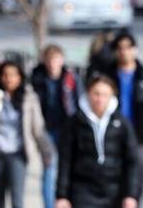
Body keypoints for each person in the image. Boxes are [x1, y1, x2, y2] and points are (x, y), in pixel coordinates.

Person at [0, 60, 53, 208]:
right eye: (5, 75)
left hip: (18, 153)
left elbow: (37, 127)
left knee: (17, 199)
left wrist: (46, 151)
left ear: (20, 77)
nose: (9, 79)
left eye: (13, 75)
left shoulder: (29, 97)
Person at [56, 74, 140, 208]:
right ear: (88, 93)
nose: (100, 99)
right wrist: (62, 195)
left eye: (105, 95)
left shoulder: (122, 124)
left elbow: (132, 161)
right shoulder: (75, 123)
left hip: (115, 189)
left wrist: (131, 195)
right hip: (83, 190)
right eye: (96, 94)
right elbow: (65, 160)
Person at [112, 32, 143, 205]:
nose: (124, 52)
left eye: (128, 48)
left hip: (139, 138)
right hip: (115, 138)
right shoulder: (109, 75)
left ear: (135, 50)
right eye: (120, 48)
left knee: (139, 183)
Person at [32, 44, 80, 208]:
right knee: (49, 169)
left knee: (68, 167)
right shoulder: (37, 78)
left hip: (67, 129)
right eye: (50, 59)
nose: (53, 63)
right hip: (46, 130)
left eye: (56, 59)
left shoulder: (70, 78)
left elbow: (78, 103)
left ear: (62, 60)